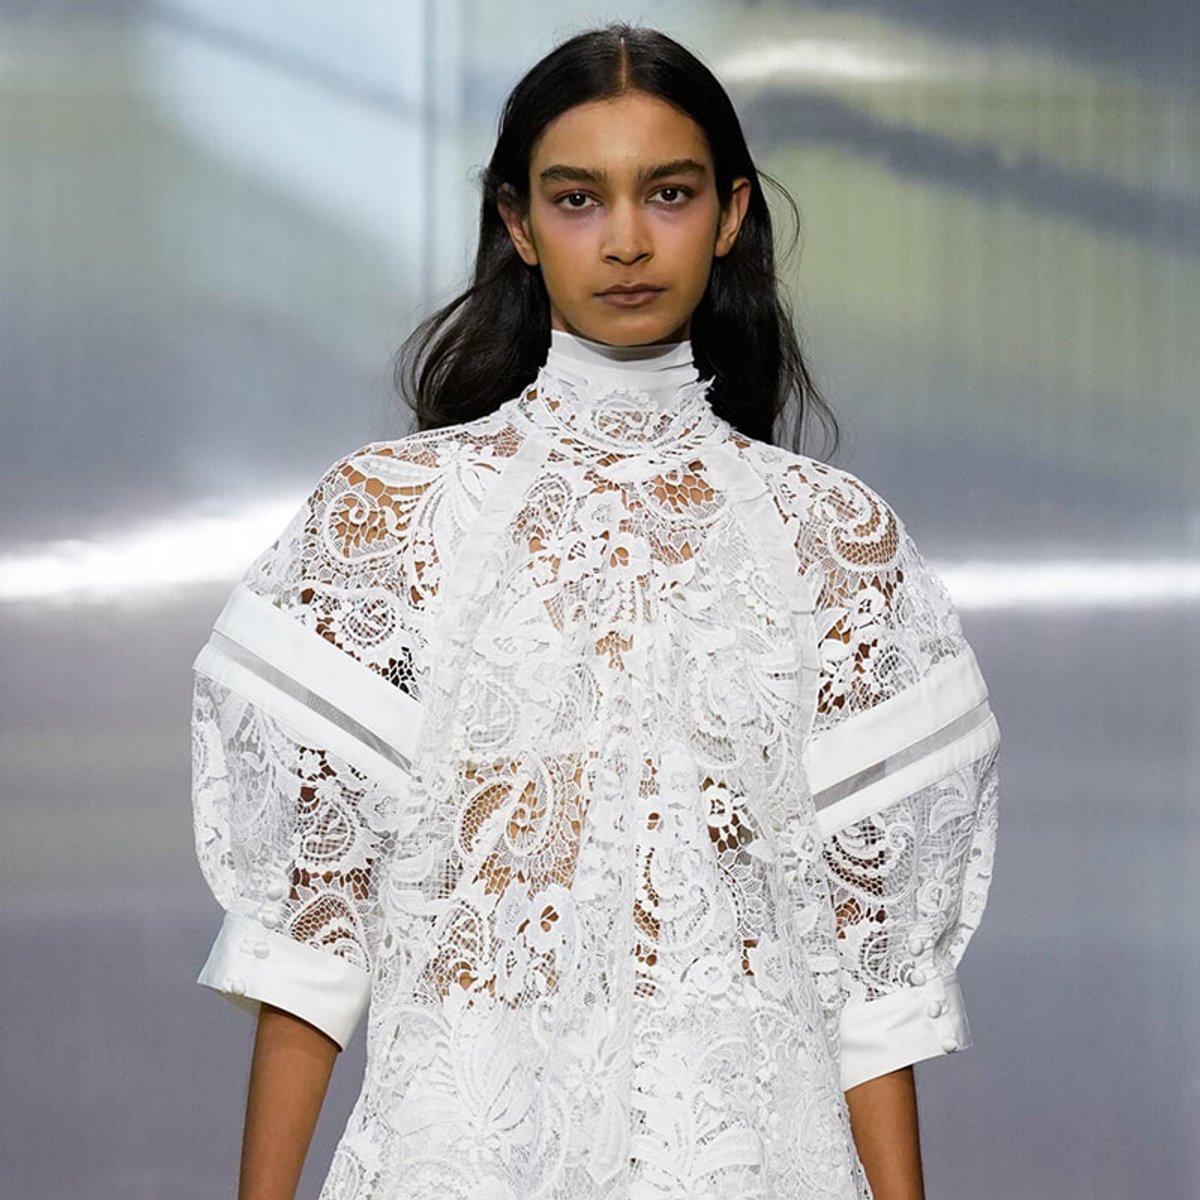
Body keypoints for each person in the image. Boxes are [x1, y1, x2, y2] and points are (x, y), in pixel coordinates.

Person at [190, 22, 1000, 1200]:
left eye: (666, 193)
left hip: (755, 1159)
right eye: (578, 198)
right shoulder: (394, 520)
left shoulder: (832, 544)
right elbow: (310, 939)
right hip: (461, 1158)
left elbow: (872, 981)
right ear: (518, 224)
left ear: (728, 216)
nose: (625, 238)